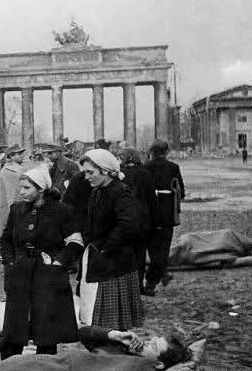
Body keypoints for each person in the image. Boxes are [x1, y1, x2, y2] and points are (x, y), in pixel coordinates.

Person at [0, 166, 83, 359]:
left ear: (41, 189)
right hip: (20, 272)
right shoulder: (17, 209)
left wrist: (58, 263)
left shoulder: (62, 210)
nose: (21, 192)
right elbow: (5, 239)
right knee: (15, 327)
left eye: (26, 188)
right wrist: (10, 263)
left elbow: (75, 242)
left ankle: (46, 370)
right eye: (21, 187)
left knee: (46, 330)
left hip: (48, 275)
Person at [75, 149, 143, 331]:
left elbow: (128, 225)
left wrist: (105, 248)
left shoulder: (120, 192)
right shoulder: (98, 191)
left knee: (113, 323)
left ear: (105, 171)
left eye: (91, 172)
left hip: (114, 264)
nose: (87, 177)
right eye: (85, 173)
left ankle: (115, 354)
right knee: (98, 319)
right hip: (99, 261)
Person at [144, 140, 185, 296]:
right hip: (167, 213)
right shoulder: (174, 167)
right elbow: (182, 192)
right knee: (163, 248)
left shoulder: (146, 167)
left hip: (149, 212)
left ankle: (160, 275)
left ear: (152, 152)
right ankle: (152, 282)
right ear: (166, 152)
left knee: (152, 247)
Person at [118, 148, 157, 289]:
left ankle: (126, 286)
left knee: (124, 253)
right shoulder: (146, 174)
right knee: (140, 254)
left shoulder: (120, 175)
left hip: (125, 218)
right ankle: (139, 284)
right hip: (143, 219)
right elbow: (152, 200)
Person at [78, 325, 192, 369]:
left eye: (153, 346)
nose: (145, 342)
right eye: (150, 340)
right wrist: (114, 335)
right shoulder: (120, 347)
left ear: (157, 364)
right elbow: (82, 333)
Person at [0, 143, 25, 240]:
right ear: (11, 156)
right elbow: (14, 196)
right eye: (19, 154)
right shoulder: (15, 171)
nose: (22, 155)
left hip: (8, 209)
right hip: (15, 209)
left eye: (22, 153)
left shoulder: (5, 170)